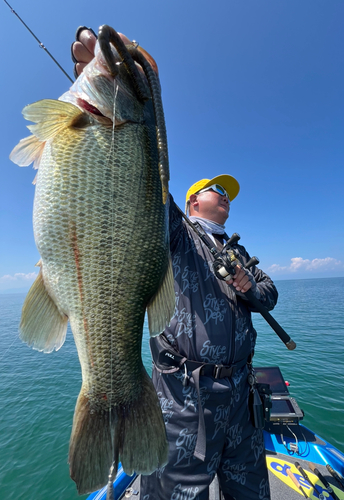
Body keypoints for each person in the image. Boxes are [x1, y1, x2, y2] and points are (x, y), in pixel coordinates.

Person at [72, 29, 278, 500]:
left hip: (242, 400)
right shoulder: (176, 229)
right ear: (191, 201)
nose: (224, 197)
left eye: (228, 195)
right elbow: (139, 173)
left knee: (251, 492)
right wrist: (117, 88)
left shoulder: (240, 252)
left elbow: (270, 294)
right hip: (187, 401)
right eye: (215, 190)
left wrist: (248, 283)